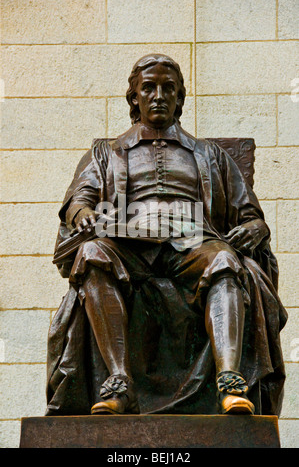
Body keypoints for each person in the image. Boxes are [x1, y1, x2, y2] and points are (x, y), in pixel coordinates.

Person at [46, 54, 287, 417]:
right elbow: (79, 200)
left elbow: (250, 214)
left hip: (192, 239)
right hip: (128, 240)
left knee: (224, 259)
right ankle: (118, 381)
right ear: (134, 98)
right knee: (92, 253)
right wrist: (83, 213)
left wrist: (256, 227)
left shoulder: (210, 155)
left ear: (179, 98)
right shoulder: (106, 153)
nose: (158, 95)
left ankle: (230, 382)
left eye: (168, 89)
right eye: (148, 88)